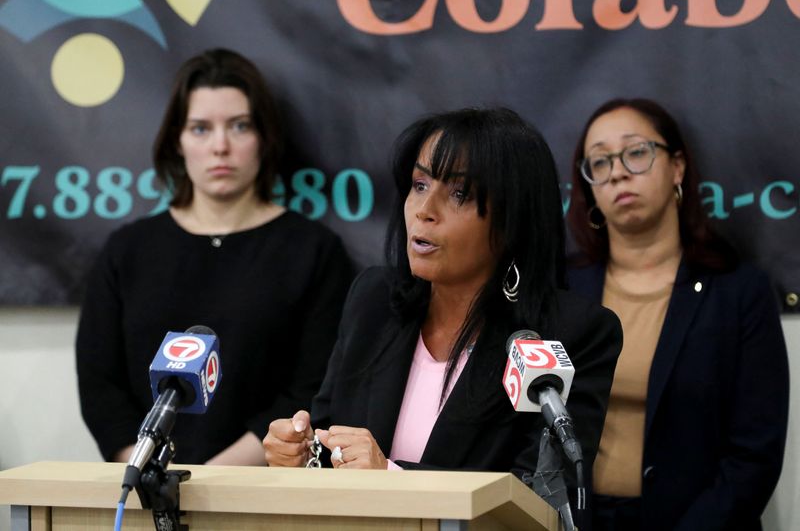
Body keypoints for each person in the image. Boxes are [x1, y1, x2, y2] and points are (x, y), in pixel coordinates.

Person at [263, 108, 622, 527]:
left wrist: (391, 480)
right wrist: (301, 454)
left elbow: (541, 503)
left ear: (512, 219)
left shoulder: (567, 334)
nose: (424, 210)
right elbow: (329, 442)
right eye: (419, 185)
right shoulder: (374, 301)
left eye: (459, 194)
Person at [76, 48, 353, 465]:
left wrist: (212, 479)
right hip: (144, 492)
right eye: (201, 128)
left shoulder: (313, 251)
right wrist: (149, 471)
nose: (220, 146)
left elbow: (312, 385)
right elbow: (100, 383)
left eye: (239, 126)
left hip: (266, 493)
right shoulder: (127, 250)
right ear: (178, 141)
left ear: (264, 138)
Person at [565, 98, 789, 530]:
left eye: (636, 152)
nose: (618, 172)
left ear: (678, 168)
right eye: (600, 162)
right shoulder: (565, 289)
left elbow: (754, 455)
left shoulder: (738, 292)